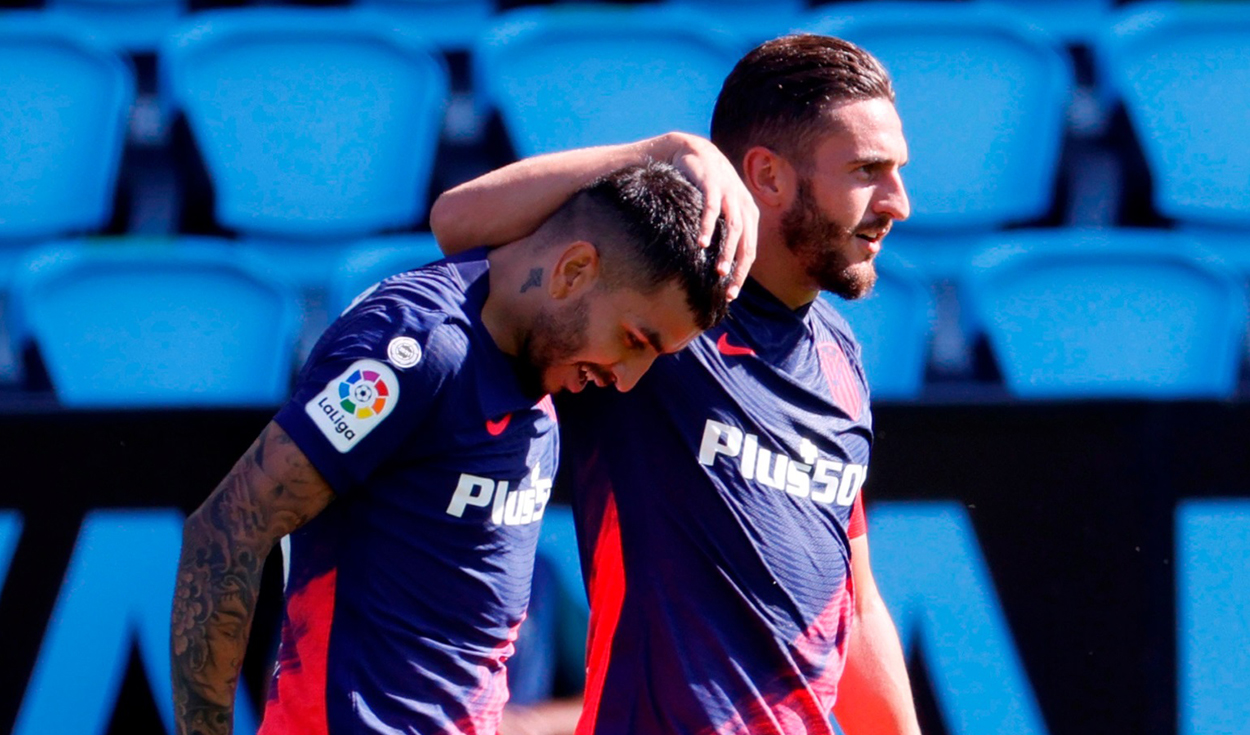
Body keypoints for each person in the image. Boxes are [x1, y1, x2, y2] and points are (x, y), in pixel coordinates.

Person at [431, 34, 921, 734]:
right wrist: (660, 153)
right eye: (868, 170)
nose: (898, 201)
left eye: (896, 170)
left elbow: (857, 599)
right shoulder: (655, 306)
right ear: (769, 177)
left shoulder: (842, 354)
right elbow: (458, 222)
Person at [170, 162, 732, 735]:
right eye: (634, 340)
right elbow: (227, 528)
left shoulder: (540, 372)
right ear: (575, 270)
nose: (629, 377)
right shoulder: (415, 345)